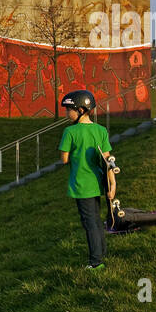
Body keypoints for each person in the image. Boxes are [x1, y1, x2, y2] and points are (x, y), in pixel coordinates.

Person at [57, 90, 113, 270]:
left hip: (81, 185)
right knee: (96, 220)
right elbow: (107, 158)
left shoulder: (70, 132)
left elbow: (64, 159)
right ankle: (101, 253)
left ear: (81, 109)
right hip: (97, 182)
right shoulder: (101, 130)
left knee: (89, 223)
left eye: (69, 110)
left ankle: (96, 262)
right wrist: (112, 185)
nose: (67, 114)